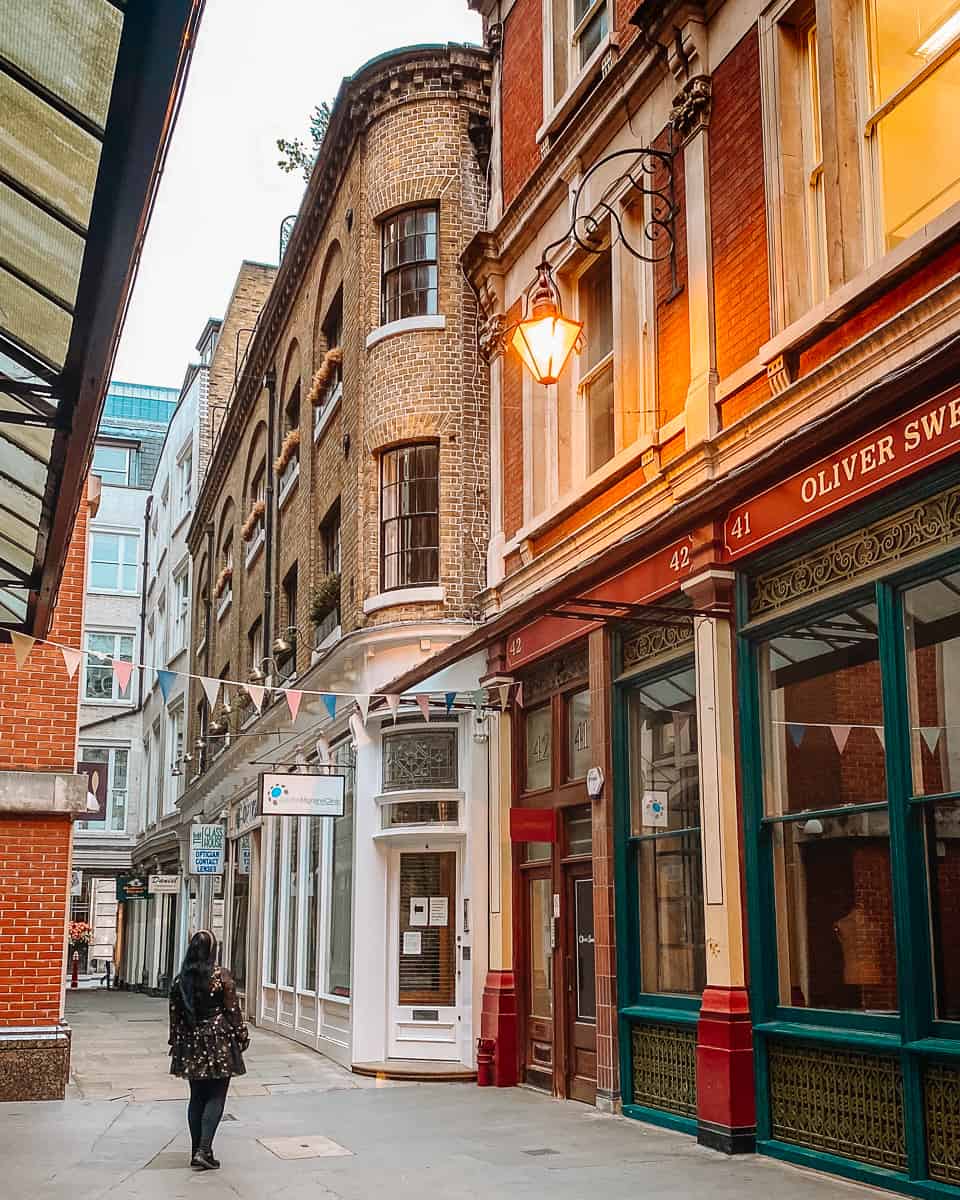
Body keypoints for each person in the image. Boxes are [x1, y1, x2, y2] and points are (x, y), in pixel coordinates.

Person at [169, 930, 249, 1170]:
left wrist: (176, 1042)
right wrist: (241, 1035)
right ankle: (204, 1149)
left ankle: (198, 1150)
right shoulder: (220, 976)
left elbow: (175, 1016)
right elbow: (232, 1011)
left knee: (197, 1096)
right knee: (216, 1095)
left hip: (191, 1042)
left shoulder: (180, 980)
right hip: (218, 1041)